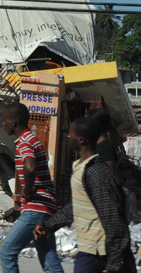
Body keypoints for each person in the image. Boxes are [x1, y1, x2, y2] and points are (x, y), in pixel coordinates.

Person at [35, 117, 136, 273]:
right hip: (89, 250)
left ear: (81, 139)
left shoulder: (97, 173)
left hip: (99, 252)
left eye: (71, 133)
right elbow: (77, 206)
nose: (68, 136)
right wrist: (49, 225)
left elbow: (113, 218)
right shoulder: (81, 167)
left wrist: (114, 263)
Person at [0, 102, 63, 273]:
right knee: (49, 258)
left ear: (13, 121)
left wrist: (27, 189)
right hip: (46, 206)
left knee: (6, 251)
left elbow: (30, 166)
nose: (3, 123)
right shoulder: (30, 139)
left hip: (36, 207)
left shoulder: (24, 141)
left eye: (4, 120)